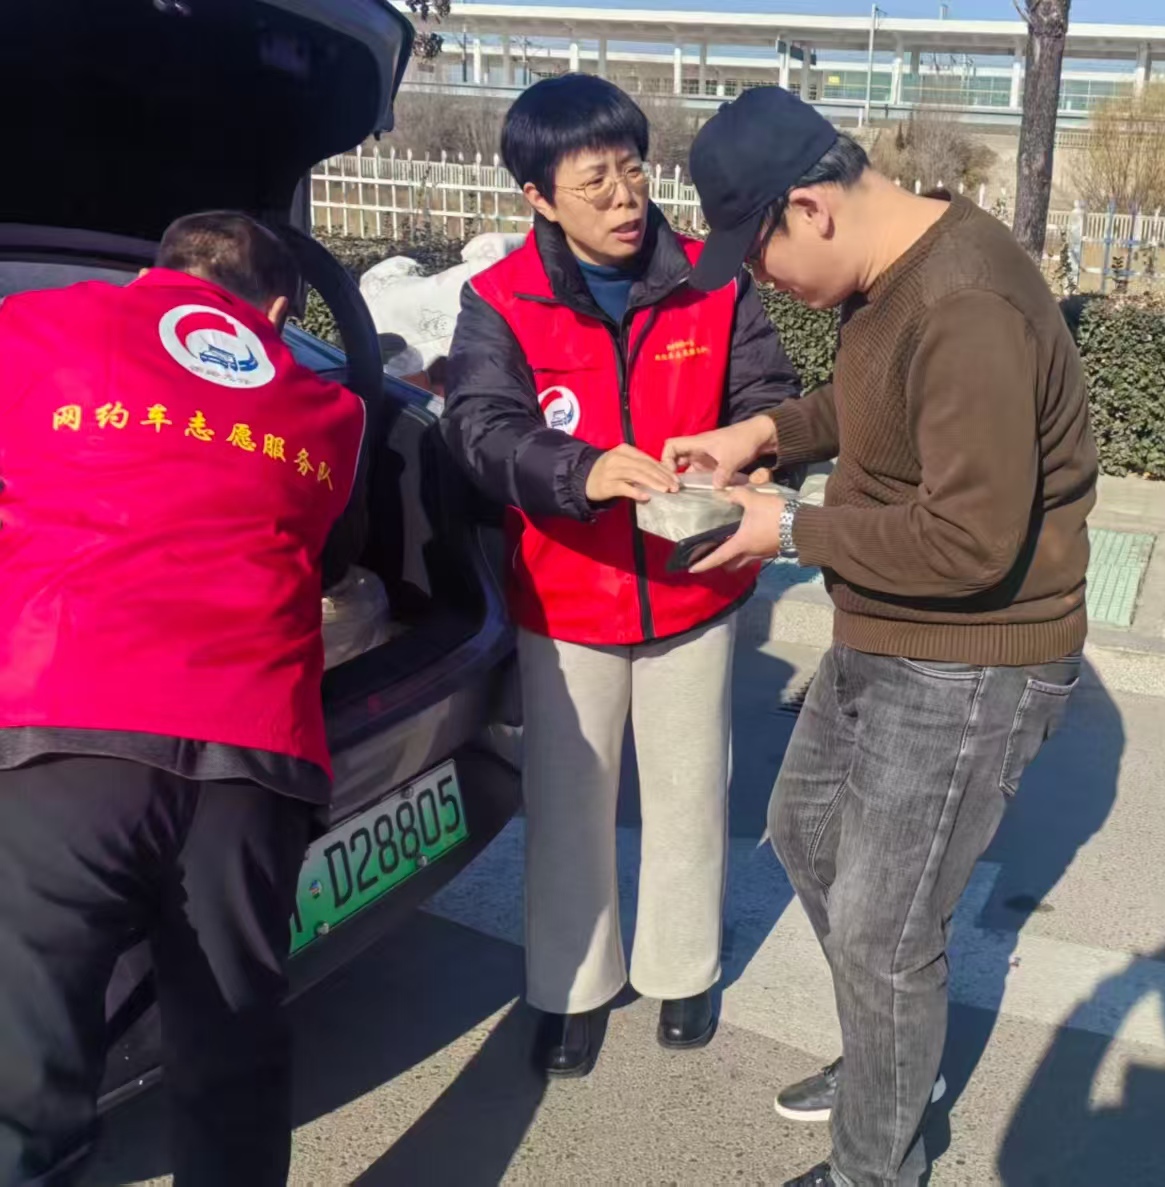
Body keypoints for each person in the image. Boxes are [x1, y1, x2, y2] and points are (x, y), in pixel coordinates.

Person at [663, 88, 1097, 1187]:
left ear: (809, 208)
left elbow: (969, 541)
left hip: (971, 658)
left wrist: (784, 528)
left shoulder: (967, 304)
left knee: (881, 930)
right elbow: (870, 403)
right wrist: (760, 432)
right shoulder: (890, 275)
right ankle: (890, 1062)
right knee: (804, 833)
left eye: (757, 257)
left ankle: (875, 1164)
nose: (761, 283)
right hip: (890, 625)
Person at [441, 74, 800, 1077]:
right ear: (538, 196)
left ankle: (684, 968)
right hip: (565, 601)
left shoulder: (712, 282)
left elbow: (769, 395)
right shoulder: (500, 299)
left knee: (690, 792)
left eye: (632, 169)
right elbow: (478, 427)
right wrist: (581, 470)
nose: (623, 197)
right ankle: (573, 986)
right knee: (569, 805)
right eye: (592, 181)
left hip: (694, 585)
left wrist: (749, 461)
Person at [0, 212, 367, 1186]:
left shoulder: (31, 326)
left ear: (155, 274)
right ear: (277, 313)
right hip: (251, 758)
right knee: (231, 1055)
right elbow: (324, 551)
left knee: (27, 1073)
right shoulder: (329, 410)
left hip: (63, 730)